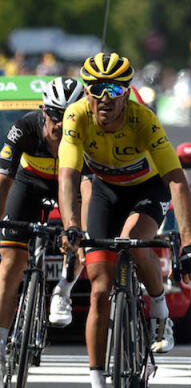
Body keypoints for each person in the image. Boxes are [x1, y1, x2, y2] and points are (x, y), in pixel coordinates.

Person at [57, 53, 191, 388]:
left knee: (134, 244)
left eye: (113, 88)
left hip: (146, 190)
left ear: (127, 91)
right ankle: (97, 379)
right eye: (95, 88)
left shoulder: (144, 120)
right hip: (106, 190)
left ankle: (158, 308)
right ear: (86, 90)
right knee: (99, 289)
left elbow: (177, 181)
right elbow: (67, 177)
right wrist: (70, 226)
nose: (104, 97)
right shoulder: (76, 115)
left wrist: (190, 243)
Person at [0, 77, 85, 373]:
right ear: (43, 111)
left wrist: (75, 227)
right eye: (54, 115)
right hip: (29, 184)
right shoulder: (24, 127)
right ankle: (0, 342)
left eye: (69, 115)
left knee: (77, 236)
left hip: (68, 185)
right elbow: (3, 181)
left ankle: (63, 290)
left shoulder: (86, 134)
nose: (60, 124)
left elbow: (88, 192)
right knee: (10, 265)